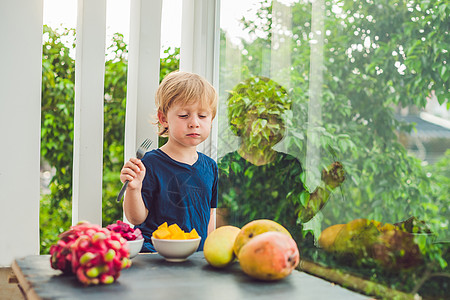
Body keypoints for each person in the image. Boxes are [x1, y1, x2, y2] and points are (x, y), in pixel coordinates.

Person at [217, 76, 345, 242]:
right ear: (238, 121)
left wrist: (326, 186)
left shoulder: (289, 165)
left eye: (278, 119)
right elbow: (221, 218)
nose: (272, 125)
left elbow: (303, 213)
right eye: (262, 117)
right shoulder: (228, 166)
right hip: (247, 249)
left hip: (286, 248)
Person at [120, 71, 218, 252]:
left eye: (202, 116)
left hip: (194, 260)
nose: (194, 123)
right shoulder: (149, 163)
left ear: (211, 120)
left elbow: (210, 215)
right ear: (163, 118)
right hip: (154, 257)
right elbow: (136, 219)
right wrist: (134, 189)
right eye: (183, 115)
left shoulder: (210, 167)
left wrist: (208, 252)